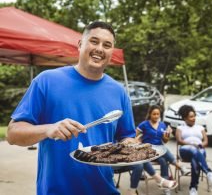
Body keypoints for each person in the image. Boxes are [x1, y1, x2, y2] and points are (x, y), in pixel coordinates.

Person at [7, 21, 138, 195]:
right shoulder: (47, 81)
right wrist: (49, 129)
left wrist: (130, 145)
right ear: (80, 44)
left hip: (104, 190)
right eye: (94, 41)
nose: (100, 48)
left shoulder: (118, 91)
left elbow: (127, 137)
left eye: (107, 45)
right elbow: (13, 134)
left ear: (111, 52)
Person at [134, 105, 183, 195]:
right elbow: (134, 135)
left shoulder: (162, 125)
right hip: (147, 152)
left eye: (158, 114)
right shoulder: (144, 124)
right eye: (154, 114)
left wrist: (167, 135)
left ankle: (165, 186)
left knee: (164, 161)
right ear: (150, 114)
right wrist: (137, 140)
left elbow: (165, 141)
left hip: (159, 153)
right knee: (163, 149)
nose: (156, 116)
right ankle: (177, 165)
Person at [176, 105, 212, 195]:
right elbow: (179, 141)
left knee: (195, 160)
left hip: (199, 149)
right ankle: (208, 172)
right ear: (185, 118)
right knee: (194, 150)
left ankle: (193, 188)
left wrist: (199, 145)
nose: (193, 118)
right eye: (191, 117)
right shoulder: (180, 128)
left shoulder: (200, 128)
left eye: (194, 116)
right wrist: (191, 145)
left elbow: (206, 141)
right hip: (185, 150)